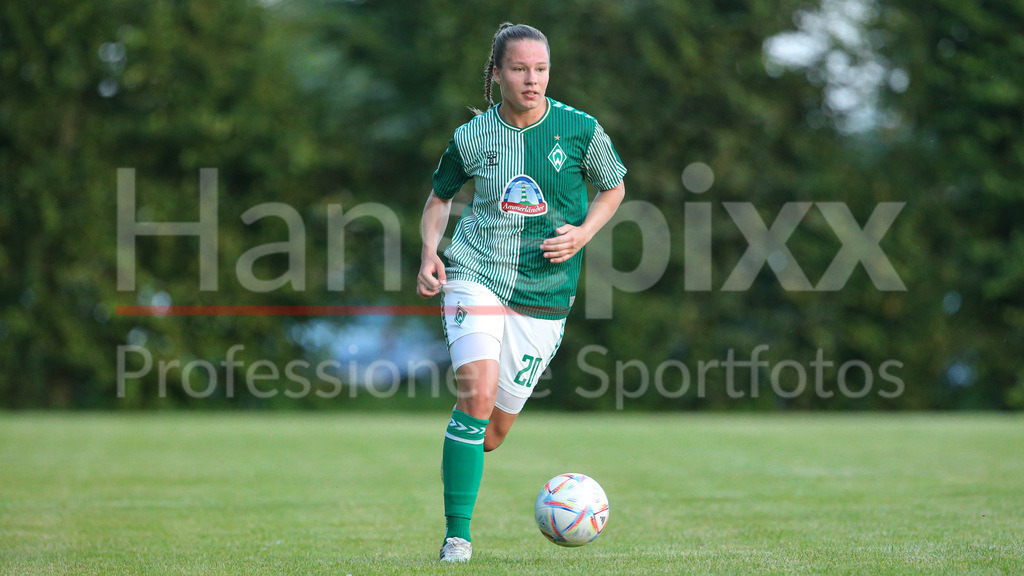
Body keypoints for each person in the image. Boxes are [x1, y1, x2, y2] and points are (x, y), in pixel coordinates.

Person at [416, 22, 627, 563]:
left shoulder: (579, 129)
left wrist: (582, 234)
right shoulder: (473, 136)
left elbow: (614, 187)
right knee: (476, 399)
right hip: (475, 273)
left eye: (541, 69)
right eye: (519, 69)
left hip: (546, 297)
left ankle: (468, 442)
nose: (532, 80)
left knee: (491, 433)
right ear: (496, 74)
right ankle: (456, 537)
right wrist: (429, 253)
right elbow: (439, 198)